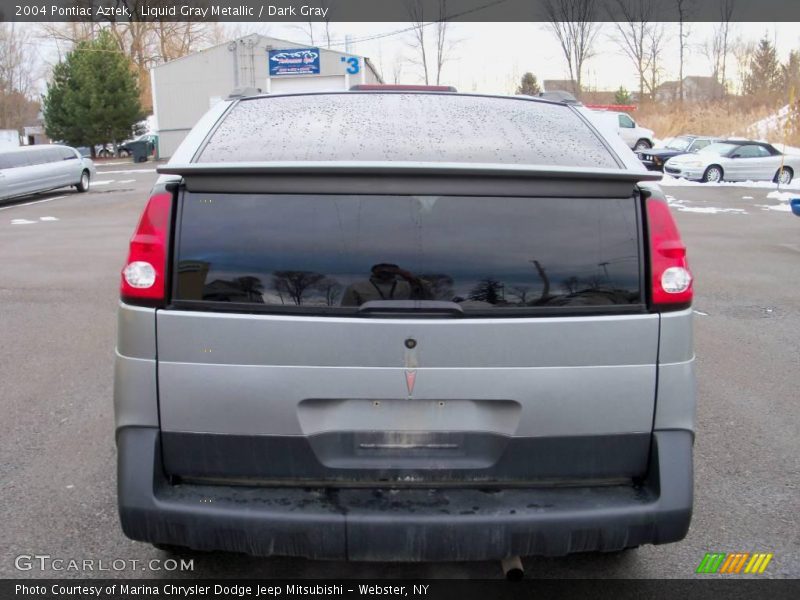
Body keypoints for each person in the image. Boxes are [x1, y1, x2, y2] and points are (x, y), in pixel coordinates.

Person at [340, 263, 426, 306]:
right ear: (373, 271)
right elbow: (346, 314)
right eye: (381, 268)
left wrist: (410, 277)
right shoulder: (356, 288)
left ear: (396, 271)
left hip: (404, 322)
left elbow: (429, 295)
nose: (385, 271)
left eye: (389, 268)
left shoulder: (408, 286)